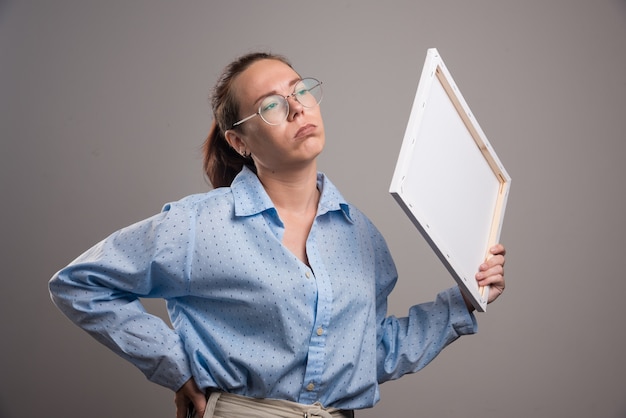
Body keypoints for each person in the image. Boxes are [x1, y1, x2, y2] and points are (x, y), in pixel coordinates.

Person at [49, 51, 506, 418]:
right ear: (239, 142)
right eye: (270, 105)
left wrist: (462, 302)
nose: (297, 107)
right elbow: (80, 284)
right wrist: (175, 368)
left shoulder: (362, 236)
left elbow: (371, 353)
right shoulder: (200, 225)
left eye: (300, 90)